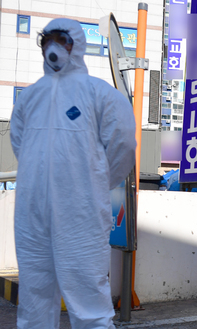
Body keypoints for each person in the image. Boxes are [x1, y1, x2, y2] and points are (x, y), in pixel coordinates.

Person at [10, 18, 136, 328]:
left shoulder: (99, 94)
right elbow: (20, 146)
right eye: (47, 40)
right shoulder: (29, 97)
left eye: (61, 39)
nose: (53, 47)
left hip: (81, 214)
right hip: (32, 214)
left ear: (76, 44)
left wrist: (91, 185)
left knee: (88, 298)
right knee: (34, 298)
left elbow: (122, 147)